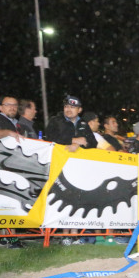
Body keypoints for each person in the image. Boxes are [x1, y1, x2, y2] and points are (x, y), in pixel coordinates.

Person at [45, 95, 97, 245]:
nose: (68, 109)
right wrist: (74, 140)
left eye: (72, 107)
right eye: (66, 106)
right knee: (61, 199)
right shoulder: (56, 120)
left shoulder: (83, 124)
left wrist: (80, 144)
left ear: (79, 110)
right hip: (58, 166)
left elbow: (92, 143)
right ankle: (64, 235)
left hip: (79, 168)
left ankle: (74, 235)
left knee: (76, 200)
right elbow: (51, 138)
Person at [0, 96, 23, 248]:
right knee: (8, 200)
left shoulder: (15, 123)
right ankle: (11, 238)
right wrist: (8, 132)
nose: (12, 107)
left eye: (15, 105)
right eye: (8, 105)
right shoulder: (3, 122)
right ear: (0, 107)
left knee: (8, 201)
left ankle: (5, 237)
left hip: (9, 167)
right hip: (2, 167)